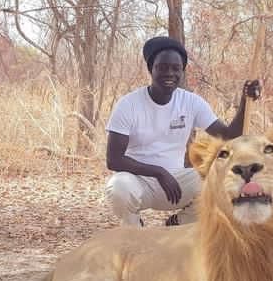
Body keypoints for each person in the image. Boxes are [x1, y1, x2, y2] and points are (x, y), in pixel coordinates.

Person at [105, 36, 261, 227]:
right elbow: (114, 159)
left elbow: (229, 137)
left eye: (175, 68)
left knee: (227, 180)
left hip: (177, 182)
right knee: (118, 187)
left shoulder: (191, 102)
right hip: (137, 181)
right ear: (151, 69)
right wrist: (159, 172)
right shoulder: (128, 104)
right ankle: (134, 231)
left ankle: (177, 224)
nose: (169, 73)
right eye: (162, 67)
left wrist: (245, 101)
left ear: (182, 71)